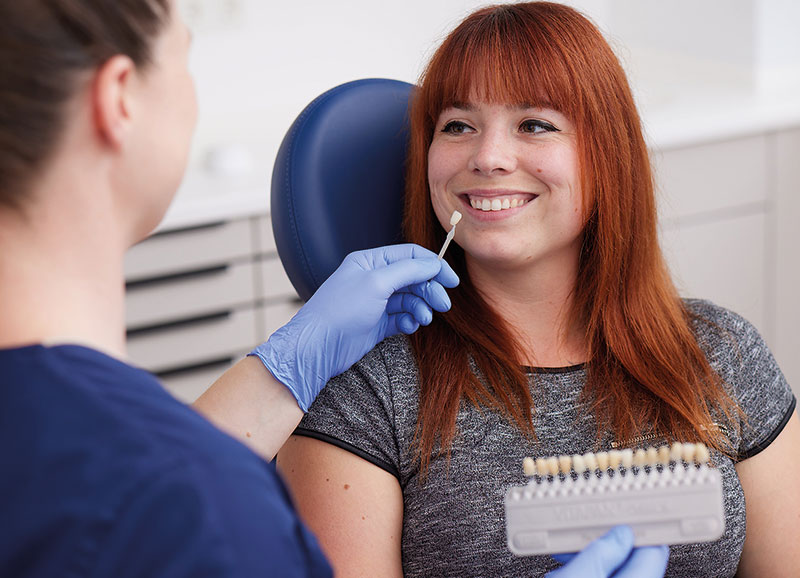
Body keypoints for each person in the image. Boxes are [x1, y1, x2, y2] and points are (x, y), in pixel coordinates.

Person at [0, 1, 661, 576]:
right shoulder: (211, 507)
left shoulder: (128, 474)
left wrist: (285, 365)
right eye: (184, 57)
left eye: (536, 123)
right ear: (120, 98)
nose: (489, 156)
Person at [261, 3, 798, 577]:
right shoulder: (365, 389)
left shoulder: (723, 354)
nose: (487, 157)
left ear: (606, 155)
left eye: (535, 125)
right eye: (458, 125)